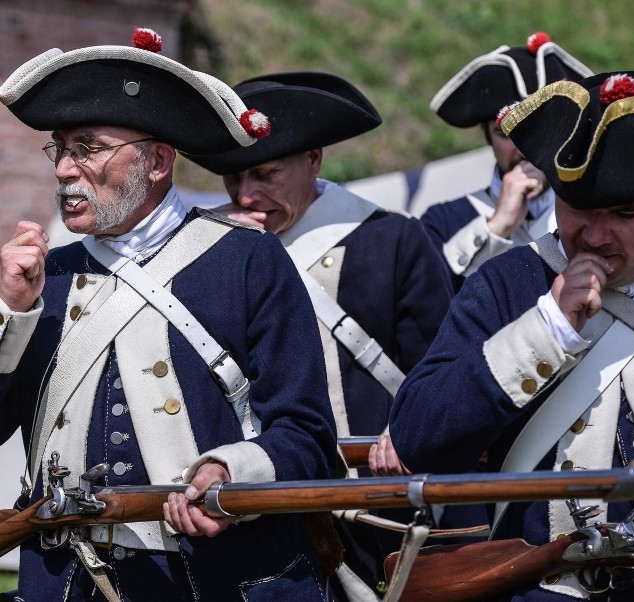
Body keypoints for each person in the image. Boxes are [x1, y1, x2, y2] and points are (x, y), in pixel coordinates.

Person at [0, 29, 339, 601]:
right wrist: (6, 308)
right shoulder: (42, 281)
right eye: (59, 148)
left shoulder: (247, 261)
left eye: (87, 148)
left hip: (217, 580)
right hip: (69, 585)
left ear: (157, 161)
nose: (64, 169)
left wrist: (231, 471)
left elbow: (307, 435)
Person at [377, 71, 634, 601]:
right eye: (579, 209)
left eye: (626, 214)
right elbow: (418, 435)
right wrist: (549, 328)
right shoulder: (511, 281)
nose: (597, 236)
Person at [186, 72, 453, 601]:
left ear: (314, 159)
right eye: (233, 178)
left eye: (264, 174)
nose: (245, 194)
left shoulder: (393, 241)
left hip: (376, 505)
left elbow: (439, 370)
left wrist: (410, 434)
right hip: (257, 501)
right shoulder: (208, 248)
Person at [420, 32, 592, 291]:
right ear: (487, 137)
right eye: (506, 133)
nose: (525, 149)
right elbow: (430, 308)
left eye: (540, 130)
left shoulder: (598, 216)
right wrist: (497, 228)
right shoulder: (442, 222)